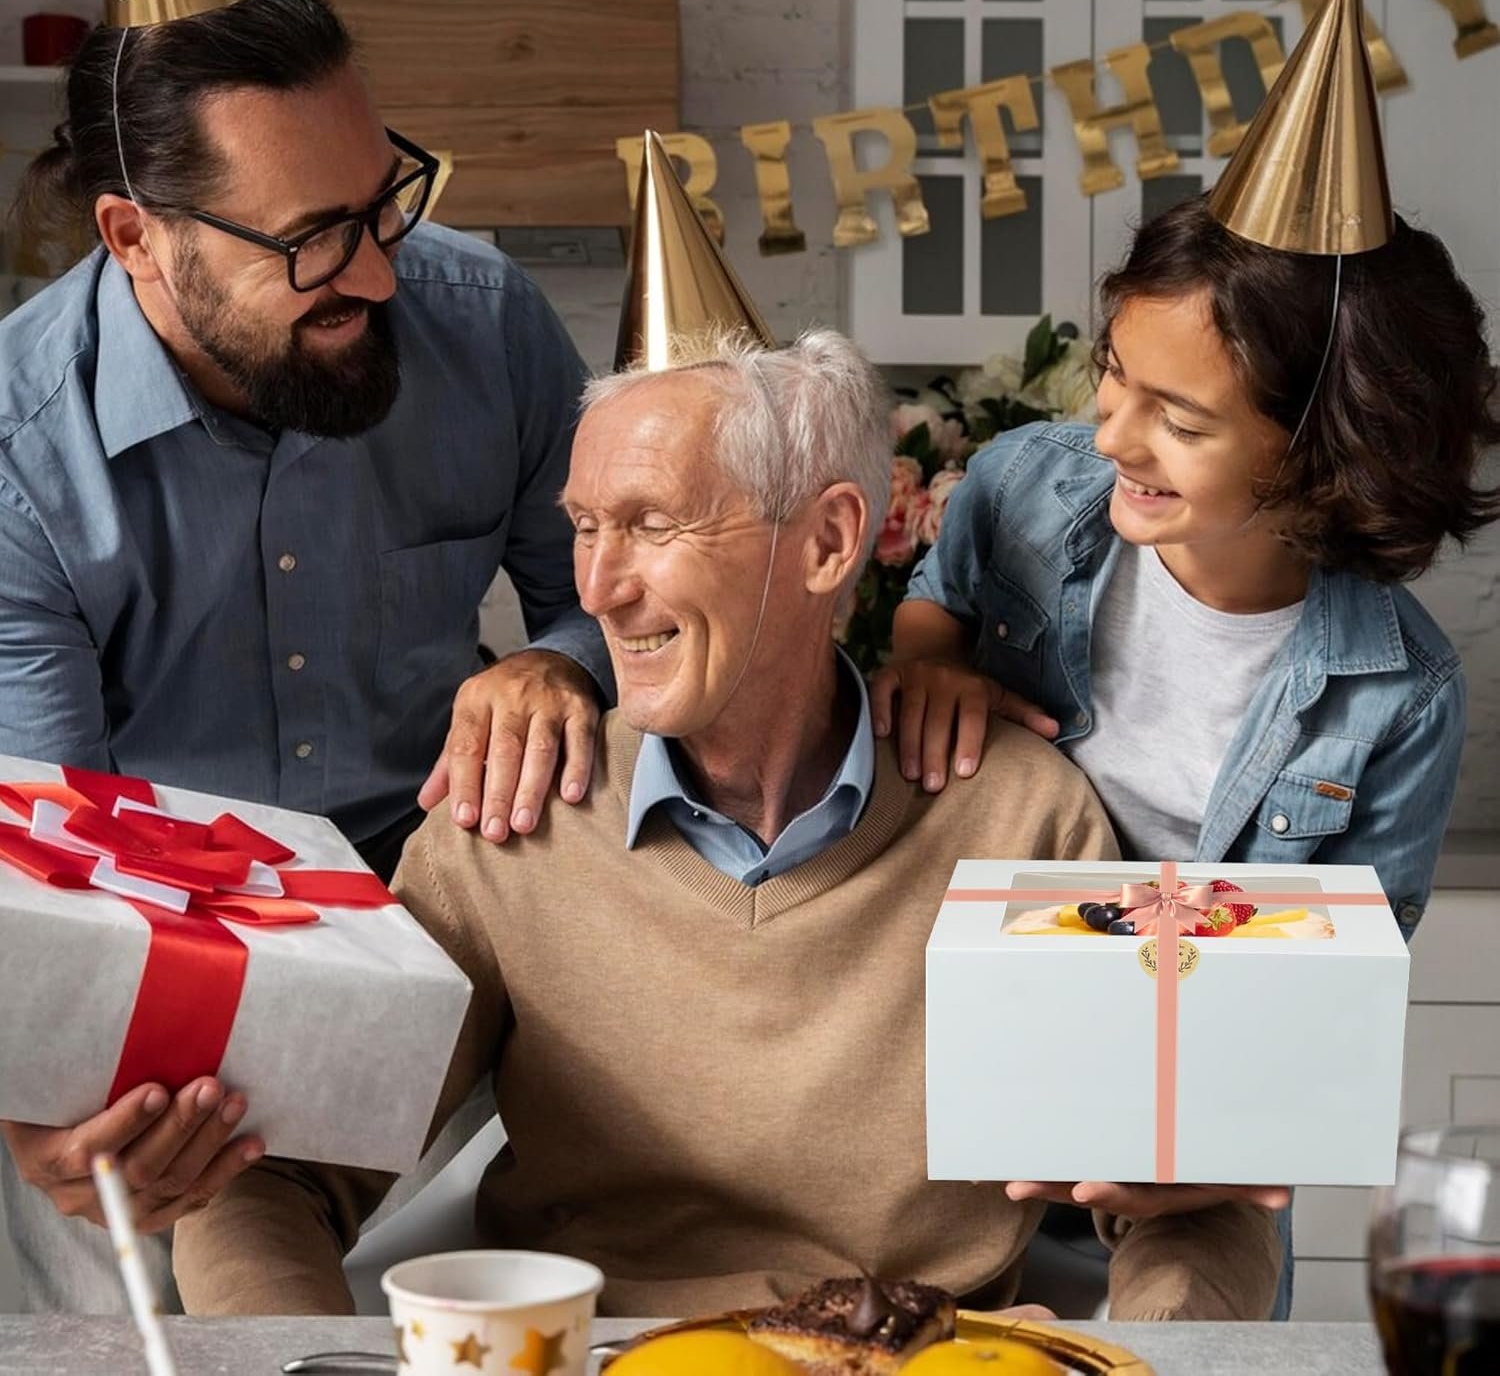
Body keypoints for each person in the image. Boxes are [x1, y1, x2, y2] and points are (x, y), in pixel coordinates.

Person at [170, 283, 1283, 1318]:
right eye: (585, 525)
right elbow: (265, 1176)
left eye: (654, 525)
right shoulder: (510, 820)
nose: (597, 589)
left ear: (830, 541)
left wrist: (1153, 1352)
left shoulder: (1024, 822)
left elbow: (1193, 1197)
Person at [0, 0, 608, 1311]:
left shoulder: (488, 321)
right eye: (309, 241)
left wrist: (564, 662)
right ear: (135, 236)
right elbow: (45, 859)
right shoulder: (21, 454)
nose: (382, 272)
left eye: (383, 198)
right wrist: (43, 1103)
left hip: (467, 914)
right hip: (185, 977)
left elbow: (619, 597)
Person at [871, 0, 1500, 1319]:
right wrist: (925, 646)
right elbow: (953, 562)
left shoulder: (1397, 694)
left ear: (1330, 445)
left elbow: (1337, 991)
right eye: (1111, 373)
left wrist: (1208, 1155)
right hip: (960, 1062)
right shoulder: (1035, 488)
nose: (1110, 437)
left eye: (1181, 419)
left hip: (1193, 1116)